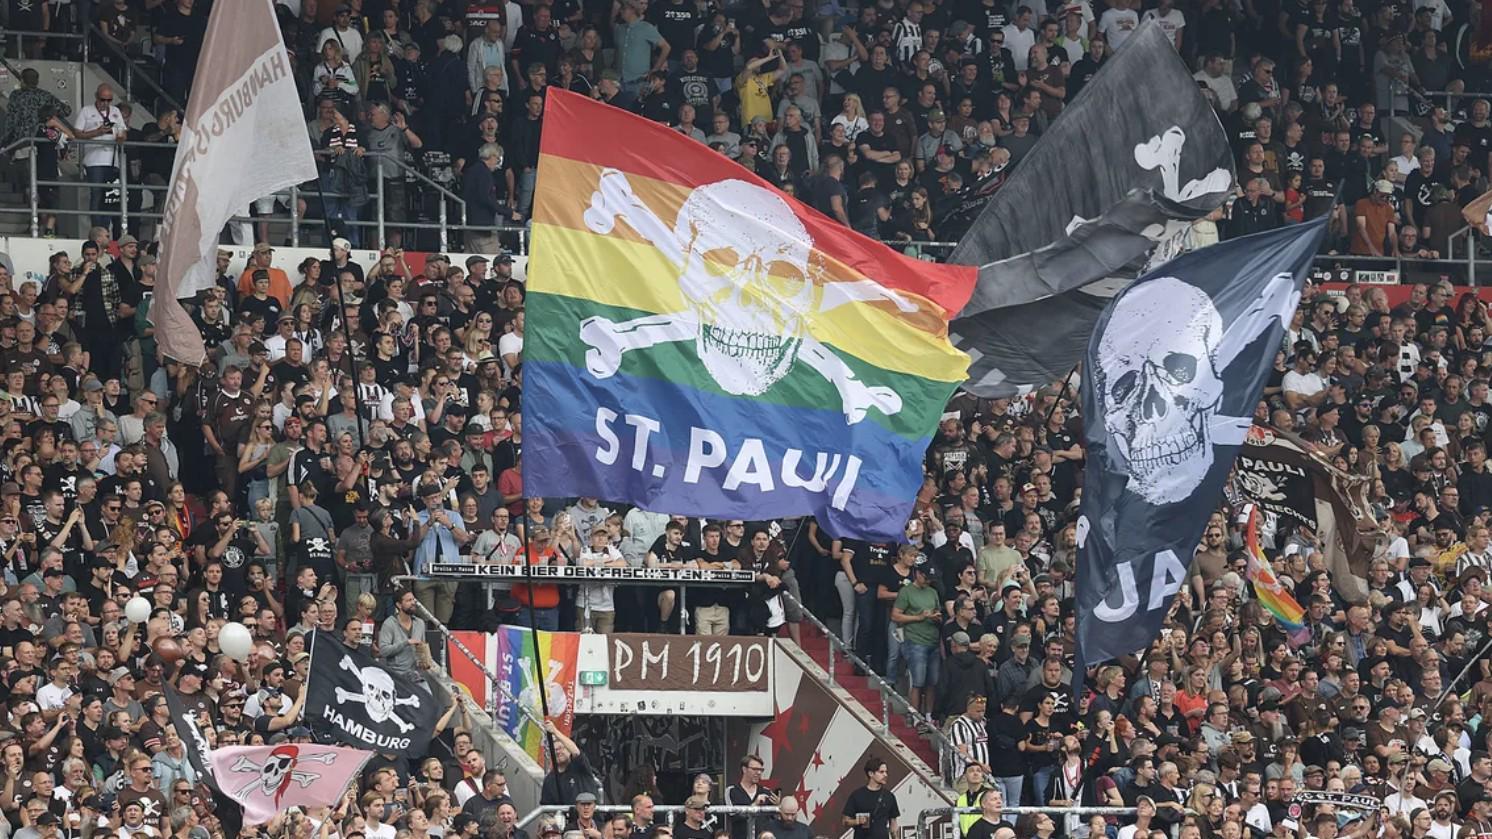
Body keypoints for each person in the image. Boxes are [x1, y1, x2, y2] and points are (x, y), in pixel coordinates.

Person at [842, 758, 900, 839]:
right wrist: (857, 821)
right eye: (881, 772)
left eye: (886, 772)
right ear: (871, 773)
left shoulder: (889, 796)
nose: (885, 775)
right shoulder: (857, 795)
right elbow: (845, 821)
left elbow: (893, 824)